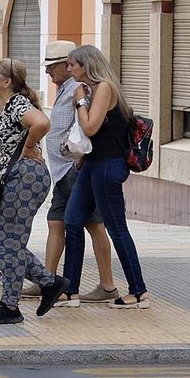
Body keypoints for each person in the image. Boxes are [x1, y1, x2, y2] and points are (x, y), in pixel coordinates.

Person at [0, 59, 66, 324]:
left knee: (10, 243)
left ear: (7, 82)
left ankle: (10, 306)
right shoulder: (1, 107)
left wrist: (27, 148)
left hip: (24, 180)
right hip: (4, 181)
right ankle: (49, 283)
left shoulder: (17, 104)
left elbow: (41, 123)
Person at [60, 44, 151, 309]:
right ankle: (70, 291)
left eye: (71, 65)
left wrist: (79, 100)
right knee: (73, 220)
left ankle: (138, 292)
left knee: (116, 227)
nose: (68, 69)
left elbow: (89, 127)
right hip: (92, 164)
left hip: (108, 166)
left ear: (86, 66)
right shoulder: (93, 89)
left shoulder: (104, 88)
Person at [40, 41, 116, 301]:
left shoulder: (80, 89)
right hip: (61, 172)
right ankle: (48, 281)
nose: (49, 72)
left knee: (93, 225)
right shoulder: (64, 89)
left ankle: (106, 286)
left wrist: (79, 159)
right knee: (55, 221)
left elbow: (87, 128)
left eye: (54, 67)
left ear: (69, 65)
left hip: (74, 168)